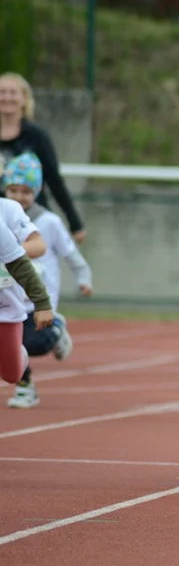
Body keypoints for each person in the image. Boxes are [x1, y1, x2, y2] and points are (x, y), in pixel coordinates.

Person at [2, 153, 92, 409]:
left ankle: (57, 329)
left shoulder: (48, 222)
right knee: (12, 350)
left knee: (33, 344)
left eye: (26, 191)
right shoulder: (5, 211)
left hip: (36, 300)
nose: (19, 196)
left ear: (37, 191)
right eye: (13, 189)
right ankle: (25, 388)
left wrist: (83, 277)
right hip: (9, 295)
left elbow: (70, 253)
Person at [0, 72, 86, 242]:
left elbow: (54, 180)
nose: (7, 97)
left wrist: (75, 223)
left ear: (24, 99)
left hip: (32, 218)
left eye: (13, 92)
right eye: (2, 92)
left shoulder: (37, 137)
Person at [0, 195, 50, 386]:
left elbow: (19, 264)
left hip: (6, 307)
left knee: (11, 375)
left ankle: (18, 353)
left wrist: (42, 303)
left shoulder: (6, 214)